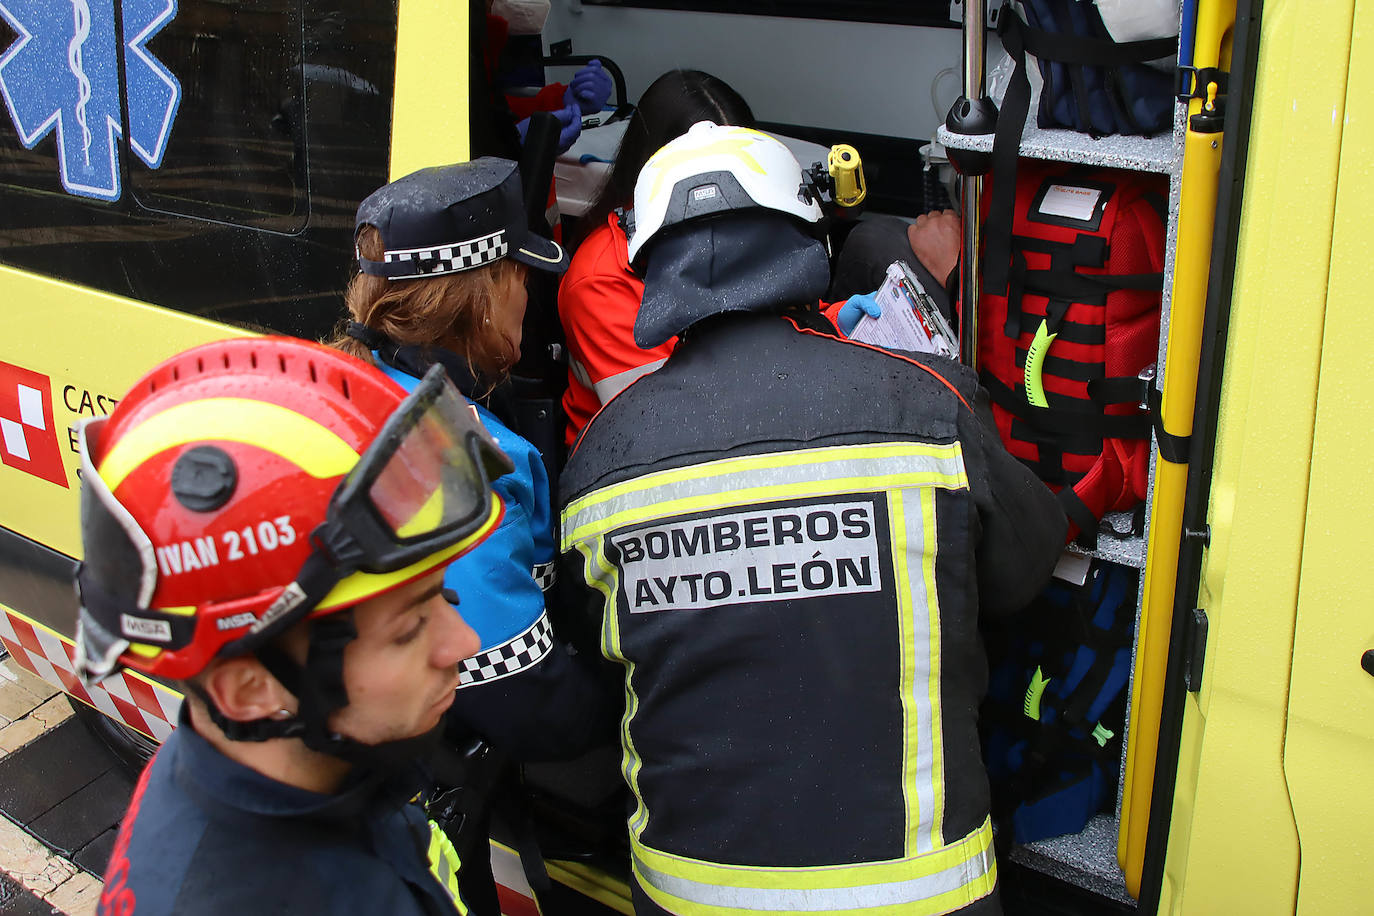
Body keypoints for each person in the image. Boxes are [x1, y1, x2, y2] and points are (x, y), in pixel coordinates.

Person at [558, 122, 1068, 916]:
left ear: (652, 269)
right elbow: (1021, 571)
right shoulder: (925, 402)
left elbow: (602, 656)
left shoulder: (600, 459)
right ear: (808, 237)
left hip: (696, 898)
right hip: (919, 896)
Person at [78, 336, 512, 915]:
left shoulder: (310, 773)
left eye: (442, 597)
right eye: (408, 630)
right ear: (250, 689)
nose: (465, 641)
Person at [331, 157, 616, 913]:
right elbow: (515, 687)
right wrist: (630, 701)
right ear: (484, 296)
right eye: (521, 276)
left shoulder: (345, 381)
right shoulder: (450, 453)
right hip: (399, 829)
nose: (533, 294)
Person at [557, 69, 755, 446]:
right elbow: (672, 422)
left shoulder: (735, 230)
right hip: (638, 465)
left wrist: (834, 321)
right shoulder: (601, 279)